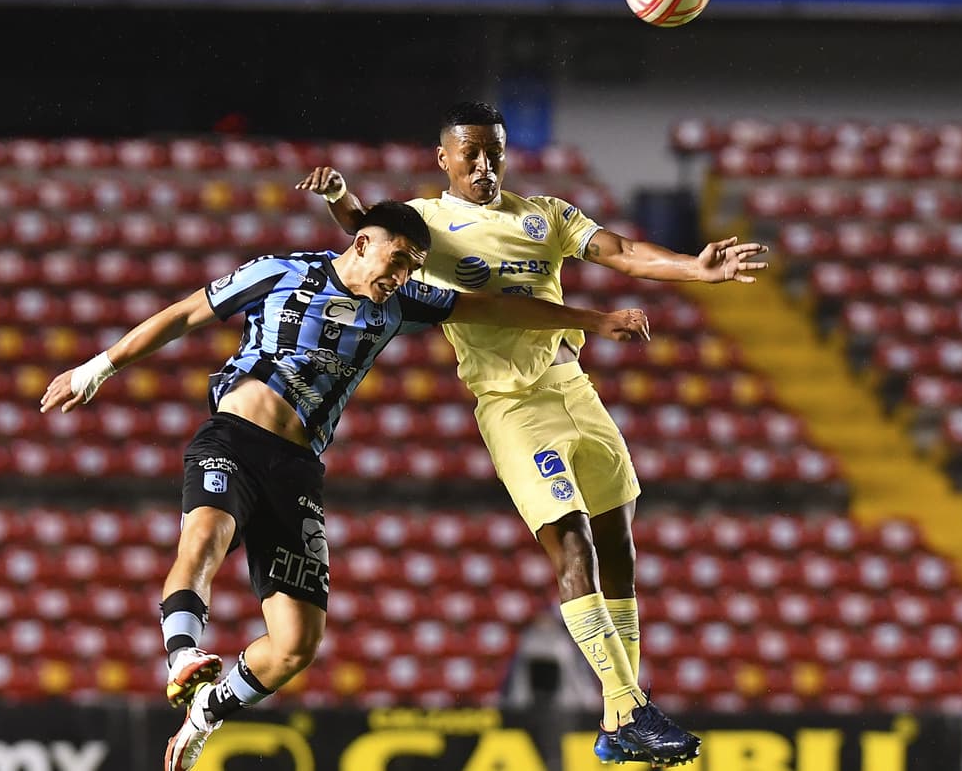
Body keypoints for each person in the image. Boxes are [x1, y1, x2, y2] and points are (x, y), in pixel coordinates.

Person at [38, 202, 651, 771]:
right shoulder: (279, 273)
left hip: (299, 469)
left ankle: (206, 713)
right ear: (362, 244)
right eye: (398, 259)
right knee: (204, 538)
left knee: (297, 644)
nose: (402, 275)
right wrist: (99, 368)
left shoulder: (401, 303)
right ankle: (182, 655)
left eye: (413, 265)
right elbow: (184, 314)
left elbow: (495, 308)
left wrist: (593, 321)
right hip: (234, 438)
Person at [299, 102, 769, 767]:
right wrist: (340, 197)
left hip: (574, 388)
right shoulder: (427, 223)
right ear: (444, 158)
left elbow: (622, 253)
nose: (484, 165)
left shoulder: (545, 214)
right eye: (470, 154)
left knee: (618, 541)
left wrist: (697, 267)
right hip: (511, 404)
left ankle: (618, 718)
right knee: (572, 541)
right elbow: (368, 236)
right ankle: (629, 704)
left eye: (494, 152)